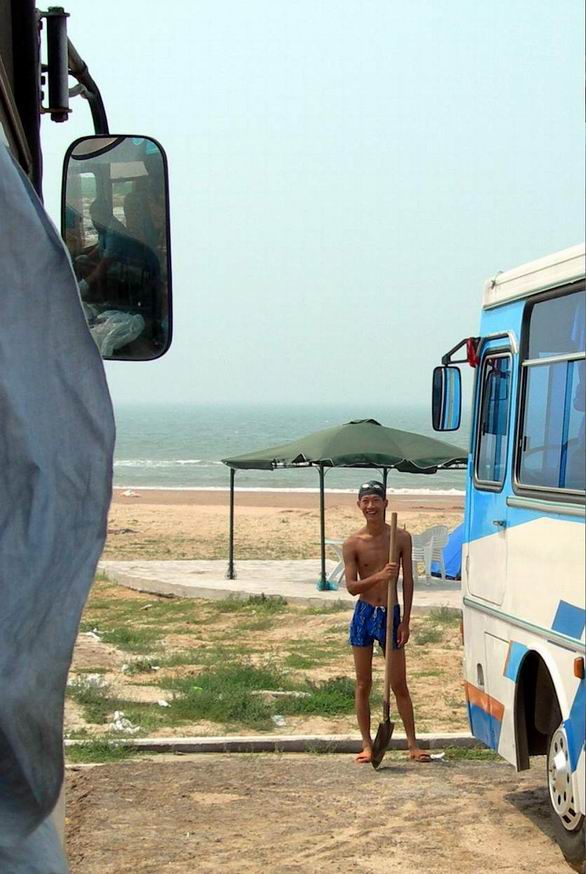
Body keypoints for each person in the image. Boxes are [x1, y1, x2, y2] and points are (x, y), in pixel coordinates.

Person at [343, 480, 431, 764]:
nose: (371, 506)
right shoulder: (353, 543)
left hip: (391, 615)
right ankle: (367, 745)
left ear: (385, 503)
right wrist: (380, 576)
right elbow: (351, 587)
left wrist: (405, 620)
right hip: (364, 614)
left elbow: (409, 581)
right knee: (363, 683)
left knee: (399, 683)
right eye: (365, 501)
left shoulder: (401, 538)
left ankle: (413, 745)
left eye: (375, 500)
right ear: (359, 505)